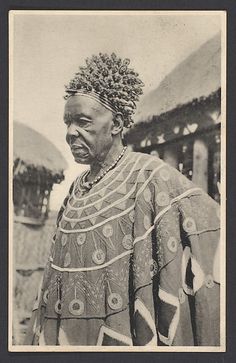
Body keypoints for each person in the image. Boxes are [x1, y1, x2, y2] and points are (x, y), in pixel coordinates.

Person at [25, 53, 220, 346]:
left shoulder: (151, 177)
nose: (70, 133)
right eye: (67, 122)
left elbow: (208, 224)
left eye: (82, 122)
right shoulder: (75, 190)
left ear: (116, 124)